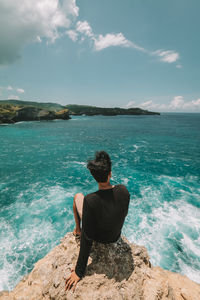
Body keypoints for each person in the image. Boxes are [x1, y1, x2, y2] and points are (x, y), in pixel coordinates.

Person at [65, 151, 130, 291]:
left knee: (78, 197)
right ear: (110, 174)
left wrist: (78, 271)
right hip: (115, 237)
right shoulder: (124, 191)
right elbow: (123, 213)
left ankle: (77, 230)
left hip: (99, 238)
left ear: (94, 177)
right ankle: (78, 230)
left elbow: (87, 239)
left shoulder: (91, 200)